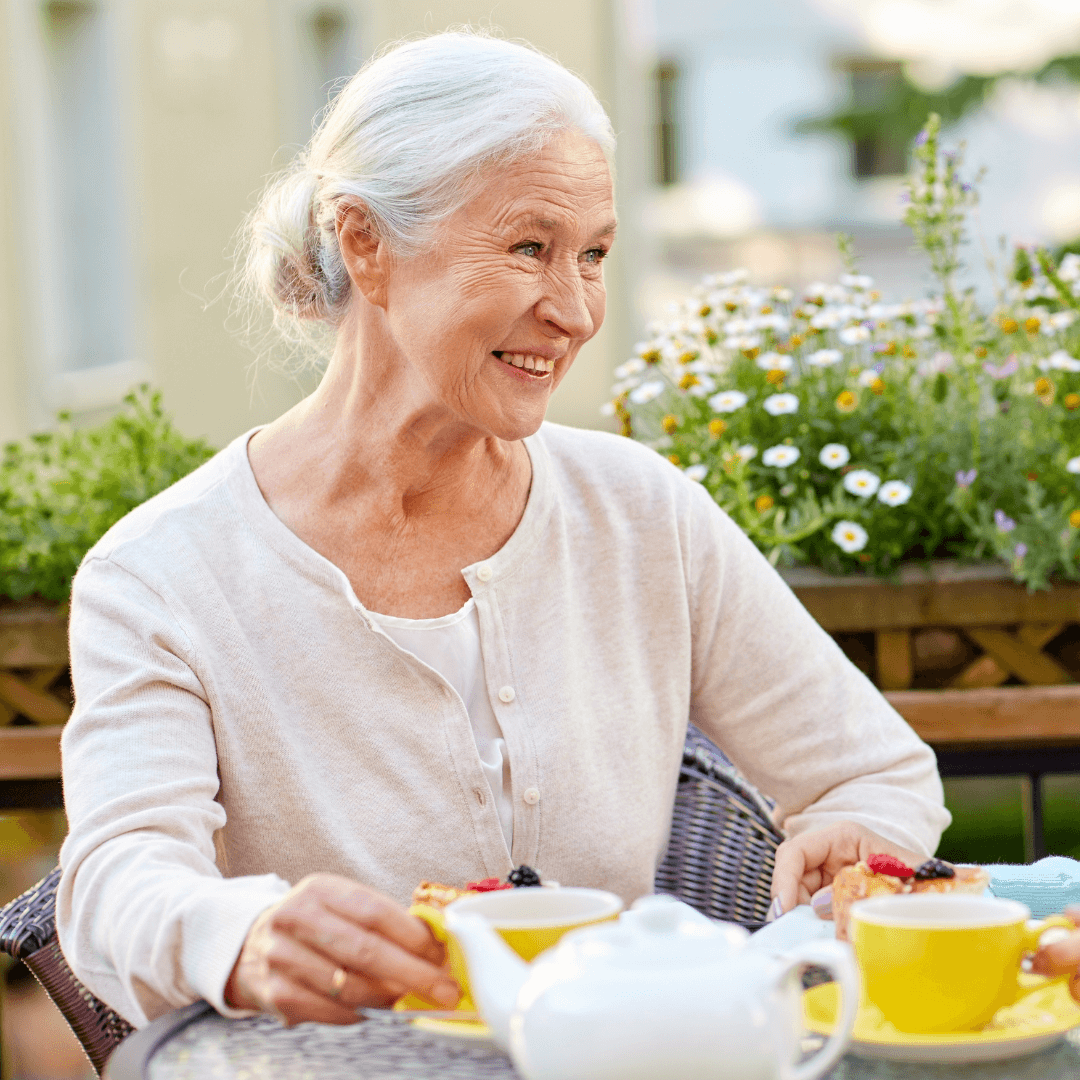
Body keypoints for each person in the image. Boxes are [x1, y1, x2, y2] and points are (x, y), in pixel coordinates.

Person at [57, 30, 950, 1029]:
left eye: (596, 255)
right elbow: (115, 883)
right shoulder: (162, 573)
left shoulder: (641, 514)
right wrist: (237, 937)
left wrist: (855, 835)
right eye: (529, 246)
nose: (573, 310)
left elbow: (873, 769)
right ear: (364, 242)